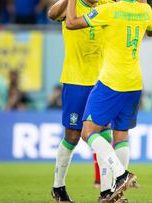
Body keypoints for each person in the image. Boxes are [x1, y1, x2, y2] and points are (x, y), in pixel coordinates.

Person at [65, 0, 152, 202]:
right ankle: (117, 194)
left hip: (111, 82)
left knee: (88, 132)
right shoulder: (145, 10)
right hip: (134, 83)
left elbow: (71, 23)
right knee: (121, 134)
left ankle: (121, 174)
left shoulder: (109, 10)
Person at [48, 0, 112, 202]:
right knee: (73, 136)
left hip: (102, 80)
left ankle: (107, 189)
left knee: (104, 133)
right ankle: (58, 187)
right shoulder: (71, 5)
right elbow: (52, 14)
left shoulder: (107, 4)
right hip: (76, 80)